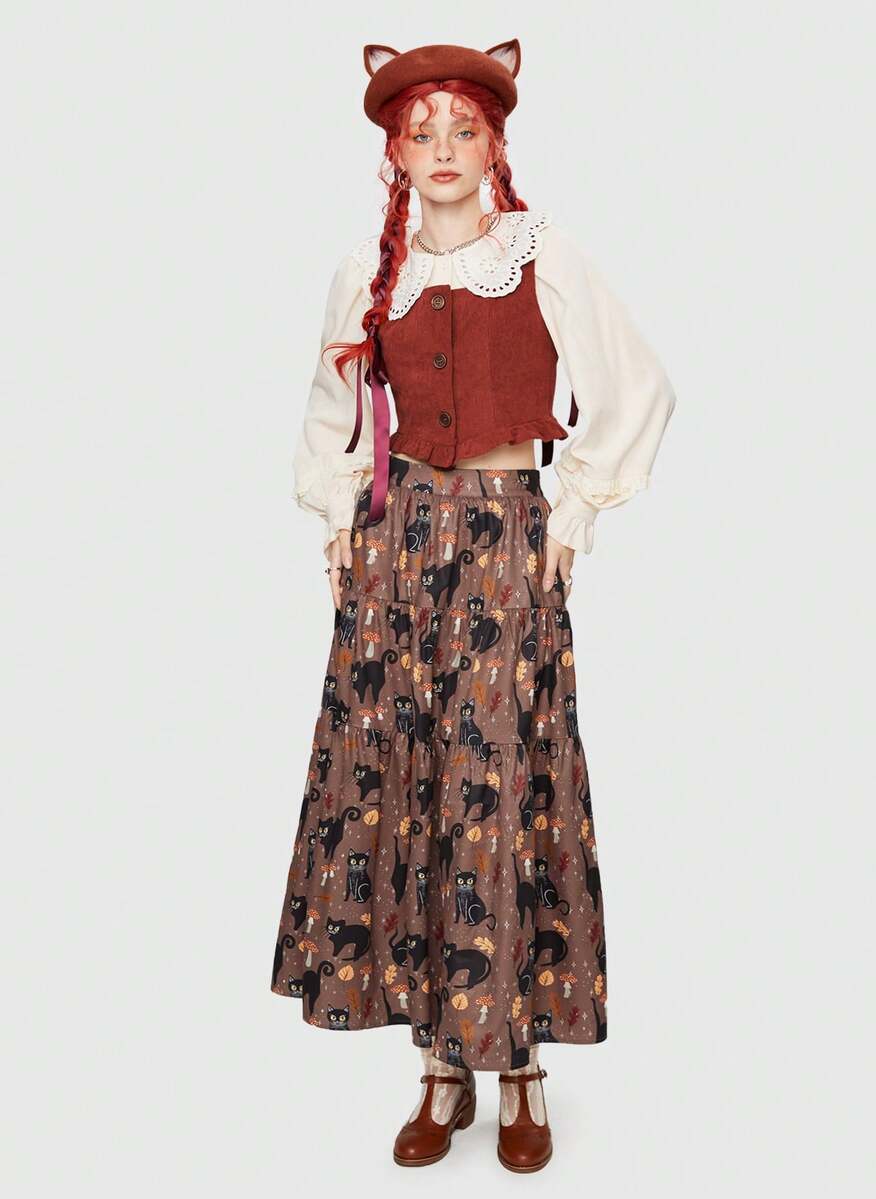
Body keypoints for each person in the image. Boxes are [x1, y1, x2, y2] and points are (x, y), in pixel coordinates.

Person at [270, 38, 676, 1172]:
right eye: (422, 134)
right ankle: (440, 1068)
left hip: (503, 541)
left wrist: (573, 514)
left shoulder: (542, 255)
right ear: (395, 155)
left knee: (500, 788)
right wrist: (341, 523)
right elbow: (331, 415)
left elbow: (638, 390)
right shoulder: (369, 273)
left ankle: (522, 1066)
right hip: (397, 550)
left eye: (463, 130)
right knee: (414, 790)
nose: (442, 149)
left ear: (495, 144)